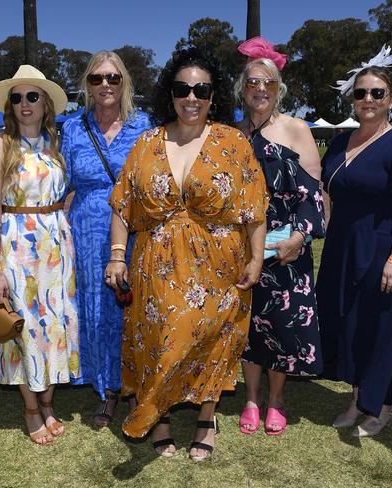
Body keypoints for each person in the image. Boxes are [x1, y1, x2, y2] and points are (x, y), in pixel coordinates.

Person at [105, 48, 268, 461]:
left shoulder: (233, 143)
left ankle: (205, 418)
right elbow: (122, 205)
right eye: (182, 88)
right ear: (170, 93)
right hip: (156, 264)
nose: (191, 97)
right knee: (160, 339)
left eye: (201, 89)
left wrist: (256, 258)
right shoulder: (147, 143)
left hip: (218, 265)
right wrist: (118, 256)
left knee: (212, 339)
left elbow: (254, 209)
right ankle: (158, 417)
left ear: (214, 96)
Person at [316, 46, 392, 437]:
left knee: (382, 330)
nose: (368, 100)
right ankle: (357, 398)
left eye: (377, 93)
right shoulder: (338, 143)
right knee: (349, 324)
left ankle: (382, 406)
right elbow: (329, 198)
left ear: (391, 100)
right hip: (342, 250)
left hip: (384, 250)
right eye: (361, 93)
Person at [0, 65, 81, 445]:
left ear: (46, 104)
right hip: (15, 248)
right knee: (22, 326)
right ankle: (30, 407)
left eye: (32, 96)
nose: (25, 104)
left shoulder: (56, 144)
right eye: (17, 97)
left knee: (56, 324)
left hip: (56, 244)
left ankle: (49, 401)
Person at [234, 37, 325, 436]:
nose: (260, 89)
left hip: (288, 247)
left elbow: (314, 192)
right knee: (249, 325)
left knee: (283, 325)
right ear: (243, 88)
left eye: (268, 83)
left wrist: (300, 238)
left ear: (279, 88)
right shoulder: (232, 134)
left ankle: (276, 400)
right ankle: (250, 398)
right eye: (253, 82)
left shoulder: (296, 129)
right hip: (241, 248)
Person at [61, 51, 151, 427]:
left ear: (124, 83)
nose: (105, 85)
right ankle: (106, 388)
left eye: (113, 78)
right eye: (97, 79)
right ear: (87, 85)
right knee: (96, 310)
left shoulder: (143, 126)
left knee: (133, 309)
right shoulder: (72, 128)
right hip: (85, 232)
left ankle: (134, 386)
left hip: (133, 231)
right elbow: (60, 183)